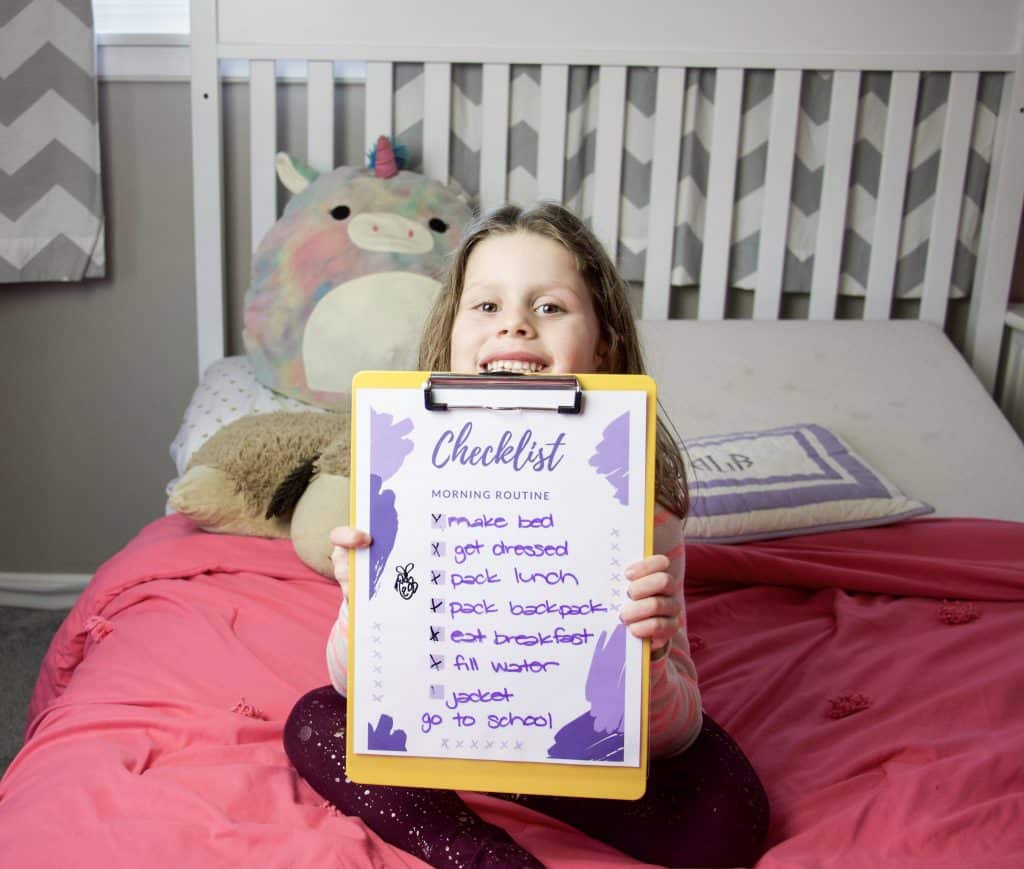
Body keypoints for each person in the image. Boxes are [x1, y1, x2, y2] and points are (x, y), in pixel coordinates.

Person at [284, 203, 769, 867]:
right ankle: (480, 852)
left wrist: (650, 657)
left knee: (729, 817)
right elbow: (353, 686)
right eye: (487, 306)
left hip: (574, 733)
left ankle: (534, 773)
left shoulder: (639, 504)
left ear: (604, 344)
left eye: (549, 307)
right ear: (451, 337)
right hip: (442, 719)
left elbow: (673, 733)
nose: (514, 323)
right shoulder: (401, 475)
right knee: (315, 720)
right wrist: (360, 607)